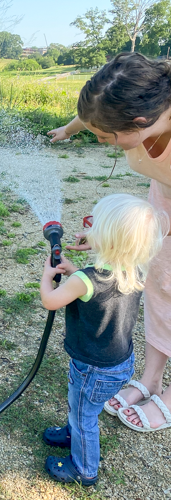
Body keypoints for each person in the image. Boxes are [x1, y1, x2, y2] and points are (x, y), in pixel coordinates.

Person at [48, 52, 171, 432]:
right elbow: (93, 114)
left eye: (105, 137)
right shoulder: (131, 105)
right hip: (164, 197)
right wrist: (69, 130)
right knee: (157, 283)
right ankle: (151, 379)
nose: (100, 140)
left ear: (138, 123)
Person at [40, 194, 166, 485]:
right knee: (81, 405)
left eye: (93, 224)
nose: (88, 228)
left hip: (92, 368)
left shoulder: (84, 281)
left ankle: (84, 469)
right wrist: (74, 272)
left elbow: (50, 300)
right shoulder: (133, 271)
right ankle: (73, 433)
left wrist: (48, 276)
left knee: (85, 414)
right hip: (118, 362)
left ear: (106, 240)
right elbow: (98, 290)